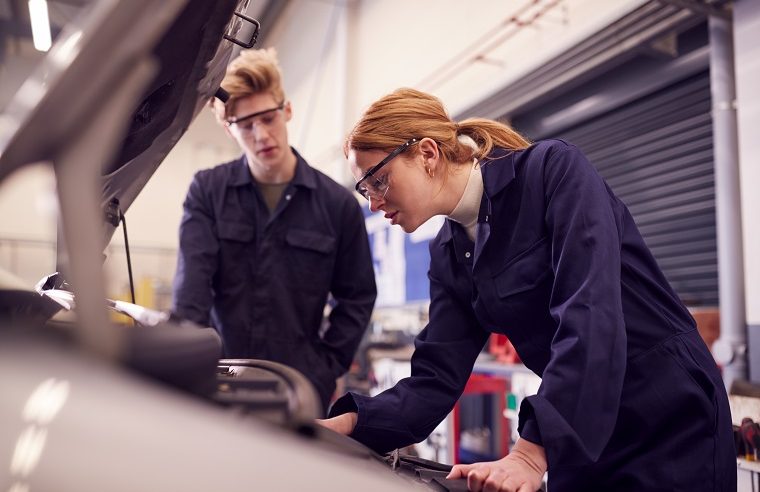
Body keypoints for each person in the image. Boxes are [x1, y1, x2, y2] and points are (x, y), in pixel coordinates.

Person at [317, 88, 736, 492]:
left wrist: (530, 454)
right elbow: (436, 376)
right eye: (365, 189)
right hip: (578, 425)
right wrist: (344, 427)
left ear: (427, 153)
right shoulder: (449, 252)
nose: (373, 203)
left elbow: (590, 312)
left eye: (379, 180)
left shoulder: (551, 172)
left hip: (667, 412)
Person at [171, 48, 377, 414]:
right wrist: (191, 371)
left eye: (268, 118)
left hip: (297, 389)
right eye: (246, 125)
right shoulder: (207, 192)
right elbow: (191, 298)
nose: (261, 134)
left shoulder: (338, 205)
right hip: (218, 384)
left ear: (287, 110)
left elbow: (357, 299)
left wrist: (322, 371)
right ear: (227, 128)